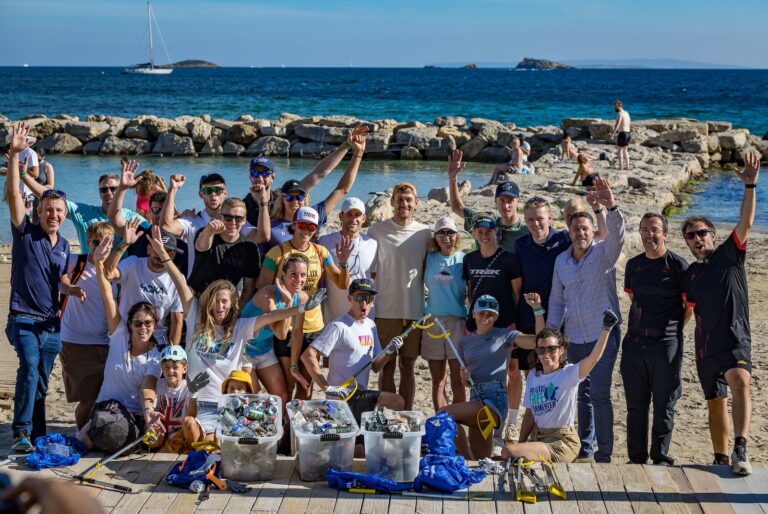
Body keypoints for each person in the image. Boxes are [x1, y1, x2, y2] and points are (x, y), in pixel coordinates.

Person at [156, 225, 324, 440]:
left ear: (231, 304)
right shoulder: (195, 319)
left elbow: (270, 318)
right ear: (208, 301)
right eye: (216, 301)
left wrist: (302, 308)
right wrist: (163, 255)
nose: (220, 306)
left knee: (227, 439)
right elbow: (180, 283)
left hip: (231, 405)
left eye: (225, 301)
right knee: (196, 430)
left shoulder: (240, 327)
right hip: (201, 404)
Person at [682, 153, 760, 475]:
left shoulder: (730, 255)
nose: (698, 239)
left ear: (713, 235)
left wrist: (751, 184)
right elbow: (686, 311)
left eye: (702, 233)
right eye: (691, 235)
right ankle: (721, 457)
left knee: (741, 381)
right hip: (705, 348)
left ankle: (741, 449)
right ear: (686, 242)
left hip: (734, 338)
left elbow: (746, 222)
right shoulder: (689, 276)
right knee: (715, 403)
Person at [547, 177, 625, 463]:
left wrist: (611, 205)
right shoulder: (561, 261)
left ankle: (604, 454)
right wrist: (552, 337)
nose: (580, 232)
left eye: (585, 227)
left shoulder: (605, 253)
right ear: (568, 231)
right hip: (574, 337)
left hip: (602, 335)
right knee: (580, 394)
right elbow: (556, 300)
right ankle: (586, 448)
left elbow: (618, 235)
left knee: (600, 393)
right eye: (575, 228)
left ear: (593, 230)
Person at [4, 123, 70, 453]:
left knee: (42, 382)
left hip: (51, 323)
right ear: (39, 211)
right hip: (23, 319)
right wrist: (15, 155)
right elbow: (13, 195)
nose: (53, 215)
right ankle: (21, 432)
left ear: (64, 214)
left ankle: (38, 435)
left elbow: (61, 280)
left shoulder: (65, 247)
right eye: (48, 210)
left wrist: (69, 290)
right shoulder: (25, 233)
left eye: (59, 211)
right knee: (29, 367)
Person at [77, 236, 162, 452]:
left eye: (148, 323)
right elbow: (107, 295)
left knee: (109, 438)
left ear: (155, 325)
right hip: (103, 410)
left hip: (132, 415)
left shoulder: (155, 356)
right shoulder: (119, 335)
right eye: (138, 323)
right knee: (81, 442)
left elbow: (148, 386)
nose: (143, 327)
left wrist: (149, 411)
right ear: (130, 324)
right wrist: (98, 262)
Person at [301, 279, 405, 455]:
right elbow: (308, 356)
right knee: (397, 401)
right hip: (343, 396)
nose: (364, 303)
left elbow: (376, 367)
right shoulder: (339, 326)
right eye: (359, 298)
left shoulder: (371, 326)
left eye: (369, 299)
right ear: (350, 298)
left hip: (359, 394)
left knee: (358, 450)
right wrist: (327, 387)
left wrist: (389, 351)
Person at [259, 206, 352, 399]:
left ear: (316, 230)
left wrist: (343, 263)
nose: (306, 230)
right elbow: (263, 288)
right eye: (302, 225)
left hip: (313, 326)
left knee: (306, 387)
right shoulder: (277, 253)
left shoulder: (321, 252)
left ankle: (297, 428)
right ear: (294, 225)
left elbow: (342, 284)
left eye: (311, 227)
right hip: (287, 326)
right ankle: (284, 427)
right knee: (288, 384)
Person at [502, 312, 619, 463]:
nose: (546, 354)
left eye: (551, 349)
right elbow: (530, 414)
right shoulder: (533, 376)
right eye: (541, 349)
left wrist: (606, 329)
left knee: (508, 451)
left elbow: (593, 359)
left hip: (562, 441)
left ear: (561, 350)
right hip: (538, 438)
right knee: (511, 454)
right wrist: (521, 443)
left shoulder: (568, 373)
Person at [622, 212, 691, 466]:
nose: (649, 235)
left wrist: (670, 330)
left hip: (666, 345)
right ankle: (636, 457)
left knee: (664, 403)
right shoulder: (633, 265)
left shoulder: (678, 266)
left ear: (665, 234)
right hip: (634, 344)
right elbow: (633, 298)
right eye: (644, 230)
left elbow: (689, 307)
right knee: (636, 405)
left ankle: (659, 455)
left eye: (654, 230)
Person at [440, 294, 543, 460]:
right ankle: (468, 460)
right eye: (481, 314)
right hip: (475, 397)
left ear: (496, 317)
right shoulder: (464, 342)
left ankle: (466, 460)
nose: (485, 319)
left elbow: (538, 341)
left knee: (443, 414)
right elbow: (466, 383)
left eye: (490, 315)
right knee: (481, 459)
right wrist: (464, 377)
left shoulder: (506, 335)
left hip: (494, 400)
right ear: (473, 314)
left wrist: (537, 309)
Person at [512, 197, 572, 443]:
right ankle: (533, 432)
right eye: (530, 219)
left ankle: (553, 431)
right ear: (524, 220)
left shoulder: (564, 239)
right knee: (534, 381)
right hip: (528, 317)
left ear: (550, 218)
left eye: (540, 218)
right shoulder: (521, 244)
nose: (536, 223)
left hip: (560, 318)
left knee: (557, 377)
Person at [367, 182, 432, 410]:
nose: (404, 204)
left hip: (414, 310)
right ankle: (386, 413)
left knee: (408, 367)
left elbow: (429, 270)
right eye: (399, 199)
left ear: (416, 203)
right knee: (386, 366)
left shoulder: (425, 233)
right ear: (392, 202)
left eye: (408, 200)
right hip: (386, 309)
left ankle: (406, 413)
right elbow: (370, 269)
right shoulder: (376, 230)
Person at [461, 214, 521, 455]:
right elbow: (469, 291)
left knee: (512, 372)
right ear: (474, 233)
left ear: (497, 232)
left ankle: (510, 424)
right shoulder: (469, 258)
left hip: (504, 323)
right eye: (480, 231)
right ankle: (482, 422)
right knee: (475, 372)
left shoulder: (509, 259)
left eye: (489, 231)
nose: (484, 235)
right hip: (477, 322)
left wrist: (510, 323)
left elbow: (516, 293)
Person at [243, 123, 367, 228]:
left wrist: (349, 146)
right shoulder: (243, 207)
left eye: (265, 173)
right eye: (255, 173)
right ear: (249, 176)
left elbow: (320, 174)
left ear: (273, 177)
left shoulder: (287, 195)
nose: (260, 178)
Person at [58, 222, 117, 430]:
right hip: (75, 341)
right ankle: (81, 433)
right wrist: (71, 289)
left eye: (107, 242)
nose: (101, 247)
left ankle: (94, 432)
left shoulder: (114, 271)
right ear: (88, 242)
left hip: (106, 342)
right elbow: (60, 281)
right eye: (96, 242)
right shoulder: (77, 261)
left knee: (106, 394)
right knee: (87, 397)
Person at [22, 158, 148, 252]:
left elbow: (152, 231)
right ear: (99, 193)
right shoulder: (83, 212)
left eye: (114, 189)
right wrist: (24, 175)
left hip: (118, 273)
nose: (108, 193)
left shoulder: (131, 217)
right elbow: (51, 197)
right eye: (104, 190)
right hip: (87, 271)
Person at [240, 254, 312, 406]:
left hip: (264, 349)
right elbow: (281, 334)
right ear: (283, 276)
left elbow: (297, 333)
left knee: (281, 396)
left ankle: (280, 429)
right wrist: (288, 303)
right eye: (293, 275)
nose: (298, 280)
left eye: (303, 275)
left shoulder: (302, 297)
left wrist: (293, 366)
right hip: (243, 350)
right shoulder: (268, 295)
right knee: (255, 397)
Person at [100, 217, 184, 346]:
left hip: (156, 340)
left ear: (173, 255)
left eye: (167, 251)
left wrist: (173, 352)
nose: (160, 255)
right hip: (126, 337)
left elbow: (177, 318)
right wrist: (124, 244)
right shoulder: (133, 263)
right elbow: (108, 273)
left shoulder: (176, 277)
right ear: (149, 249)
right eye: (156, 249)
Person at [420, 217, 467, 411]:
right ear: (435, 237)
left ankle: (459, 425)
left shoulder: (464, 259)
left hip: (457, 322)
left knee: (457, 380)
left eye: (450, 232)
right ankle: (442, 422)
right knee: (438, 381)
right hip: (433, 323)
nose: (446, 237)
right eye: (441, 233)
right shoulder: (428, 257)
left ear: (456, 236)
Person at [108, 164, 189, 275]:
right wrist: (121, 188)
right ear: (149, 211)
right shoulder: (139, 233)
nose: (160, 214)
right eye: (155, 209)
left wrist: (172, 189)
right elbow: (113, 217)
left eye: (163, 210)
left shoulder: (182, 241)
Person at [187, 197, 267, 304]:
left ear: (244, 220)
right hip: (198, 300)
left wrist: (237, 313)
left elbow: (248, 288)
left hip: (225, 304)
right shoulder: (207, 234)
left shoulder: (250, 247)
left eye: (238, 218)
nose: (233, 222)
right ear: (220, 217)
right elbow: (201, 247)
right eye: (228, 217)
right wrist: (208, 232)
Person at [448, 150, 529, 253]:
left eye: (510, 201)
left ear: (518, 201)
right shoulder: (484, 221)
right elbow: (457, 207)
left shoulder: (527, 232)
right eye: (502, 200)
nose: (506, 205)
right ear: (495, 201)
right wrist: (452, 178)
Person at [317, 196, 378, 324]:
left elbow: (373, 275)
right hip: (334, 318)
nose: (353, 219)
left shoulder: (372, 243)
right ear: (341, 216)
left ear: (363, 219)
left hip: (364, 318)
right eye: (349, 214)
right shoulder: (325, 242)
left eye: (357, 215)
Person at [142, 345, 208, 453]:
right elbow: (152, 408)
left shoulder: (189, 387)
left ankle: (191, 450)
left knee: (190, 422)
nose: (170, 371)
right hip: (165, 433)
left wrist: (193, 394)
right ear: (161, 368)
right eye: (166, 367)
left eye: (175, 367)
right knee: (152, 428)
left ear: (185, 369)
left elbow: (192, 415)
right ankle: (157, 449)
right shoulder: (159, 385)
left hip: (183, 435)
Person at [30, 147, 54, 224]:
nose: (36, 162)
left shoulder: (47, 166)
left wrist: (34, 187)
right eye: (35, 159)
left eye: (39, 160)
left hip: (42, 199)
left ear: (44, 157)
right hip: (31, 199)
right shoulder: (30, 166)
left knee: (43, 223)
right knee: (30, 224)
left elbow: (51, 186)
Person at [611, 100, 631, 171]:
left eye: (615, 107)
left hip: (622, 133)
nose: (614, 108)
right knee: (625, 150)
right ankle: (627, 166)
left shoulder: (620, 114)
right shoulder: (627, 113)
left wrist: (613, 134)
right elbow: (629, 123)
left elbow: (618, 124)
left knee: (620, 151)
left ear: (619, 106)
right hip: (628, 133)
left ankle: (621, 167)